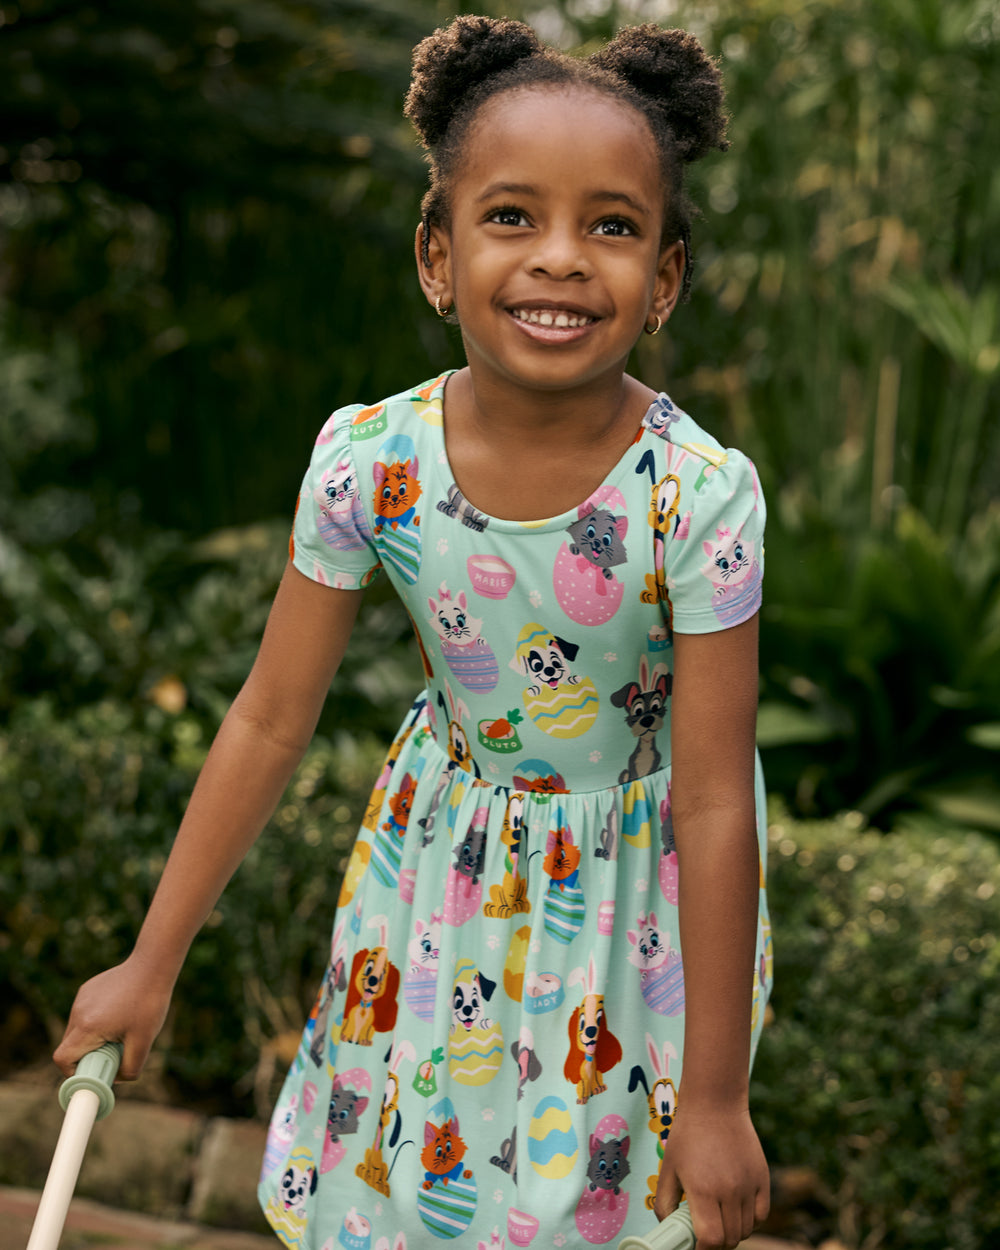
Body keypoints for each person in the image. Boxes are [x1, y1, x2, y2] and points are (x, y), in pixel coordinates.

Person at [55, 15, 773, 1250]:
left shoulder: (698, 496)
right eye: (510, 217)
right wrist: (149, 960)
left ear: (663, 278)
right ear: (437, 256)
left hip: (632, 906)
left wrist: (713, 1094)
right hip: (432, 883)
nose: (559, 258)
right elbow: (270, 717)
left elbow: (713, 802)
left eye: (610, 225)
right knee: (399, 1196)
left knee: (589, 1216)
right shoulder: (369, 464)